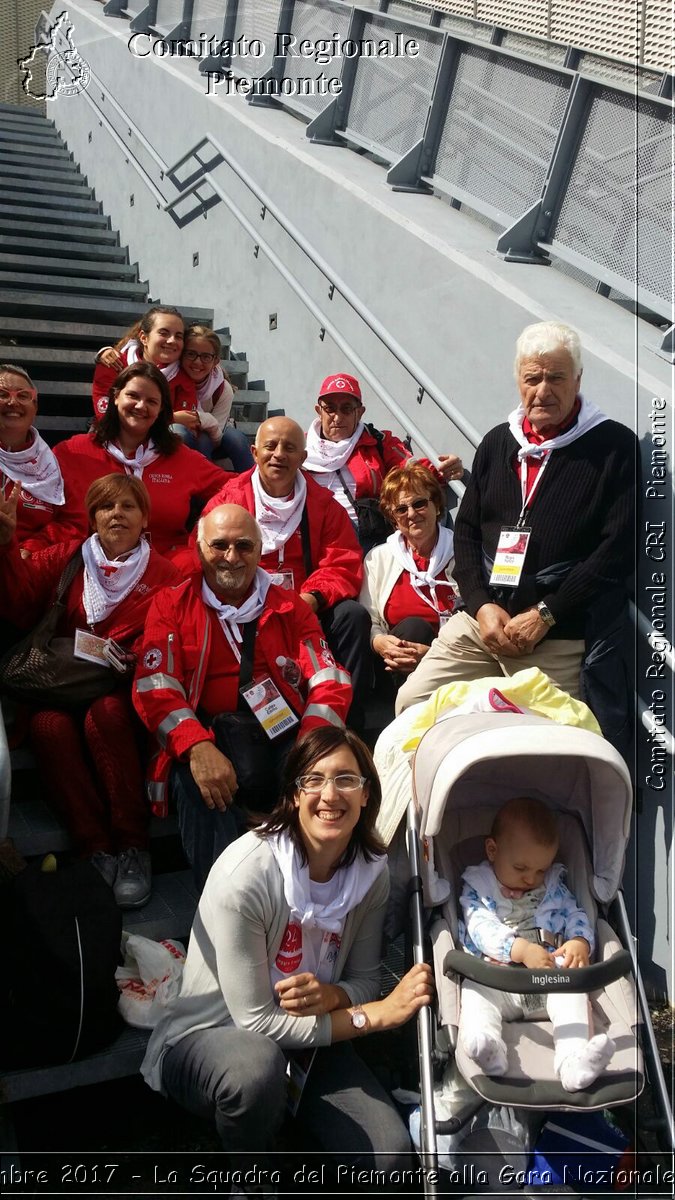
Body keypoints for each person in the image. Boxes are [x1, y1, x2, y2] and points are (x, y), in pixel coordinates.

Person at [141, 725, 433, 1180]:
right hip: (216, 1037)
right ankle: (252, 1175)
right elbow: (255, 1021)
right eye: (313, 780)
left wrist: (334, 996)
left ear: (366, 794)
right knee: (256, 1070)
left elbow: (366, 980)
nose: (329, 794)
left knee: (389, 1161)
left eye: (346, 779)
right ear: (294, 796)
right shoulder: (249, 875)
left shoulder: (370, 874)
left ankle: (291, 1121)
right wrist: (369, 1017)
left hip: (310, 1040)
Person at [396, 321, 639, 739]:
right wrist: (480, 605)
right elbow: (469, 531)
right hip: (482, 626)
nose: (543, 390)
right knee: (412, 705)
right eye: (533, 378)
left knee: (558, 738)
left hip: (556, 636)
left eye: (556, 377)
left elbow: (616, 552)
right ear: (519, 382)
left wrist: (547, 614)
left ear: (577, 380)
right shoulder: (497, 442)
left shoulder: (614, 447)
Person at [132, 504, 353, 891]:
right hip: (206, 736)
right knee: (202, 787)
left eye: (244, 546)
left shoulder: (289, 606)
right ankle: (225, 908)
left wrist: (311, 748)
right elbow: (156, 686)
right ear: (198, 549)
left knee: (327, 777)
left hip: (283, 735)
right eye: (219, 545)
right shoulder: (171, 605)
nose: (231, 557)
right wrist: (196, 746)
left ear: (259, 550)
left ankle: (314, 895)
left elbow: (329, 678)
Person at [0, 474, 180, 908]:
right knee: (45, 727)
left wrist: (129, 657)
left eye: (128, 506)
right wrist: (6, 546)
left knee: (107, 715)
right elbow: (19, 605)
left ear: (144, 519)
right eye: (105, 506)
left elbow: (169, 639)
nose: (116, 513)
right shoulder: (66, 557)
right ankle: (94, 847)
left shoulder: (164, 573)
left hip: (119, 689)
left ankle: (133, 846)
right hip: (58, 687)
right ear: (93, 517)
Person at [200, 416, 371, 732]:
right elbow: (207, 554)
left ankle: (349, 729)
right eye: (271, 446)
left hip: (305, 606)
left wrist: (311, 598)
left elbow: (342, 562)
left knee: (352, 616)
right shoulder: (229, 500)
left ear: (303, 458)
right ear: (253, 452)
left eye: (290, 447)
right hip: (246, 607)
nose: (279, 454)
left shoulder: (323, 505)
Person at [458, 796, 615, 1092]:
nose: (531, 878)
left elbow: (574, 913)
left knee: (573, 997)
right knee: (475, 996)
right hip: (497, 979)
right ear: (493, 850)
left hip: (550, 978)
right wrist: (519, 949)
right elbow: (479, 926)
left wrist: (580, 940)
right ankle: (489, 1048)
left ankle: (573, 1062)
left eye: (541, 870)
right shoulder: (479, 887)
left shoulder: (553, 886)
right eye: (521, 868)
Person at [39, 362, 228, 559]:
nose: (141, 406)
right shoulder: (72, 452)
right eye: (133, 396)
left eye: (152, 401)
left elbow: (233, 488)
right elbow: (38, 508)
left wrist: (197, 541)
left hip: (164, 574)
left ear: (161, 408)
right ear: (116, 396)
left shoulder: (181, 457)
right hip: (87, 569)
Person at [303, 372, 463, 550]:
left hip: (364, 535)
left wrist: (444, 468)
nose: (338, 417)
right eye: (330, 408)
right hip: (314, 531)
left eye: (346, 408)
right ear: (319, 411)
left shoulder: (378, 442)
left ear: (360, 412)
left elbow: (411, 471)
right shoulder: (299, 446)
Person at [360, 464, 459, 683]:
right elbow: (371, 618)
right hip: (401, 663)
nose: (412, 514)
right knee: (414, 628)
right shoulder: (378, 558)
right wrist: (378, 641)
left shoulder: (462, 551)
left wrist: (433, 654)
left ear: (437, 505)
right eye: (401, 510)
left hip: (457, 659)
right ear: (393, 518)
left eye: (419, 503)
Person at [92, 303, 198, 427]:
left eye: (178, 336)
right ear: (143, 337)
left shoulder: (184, 374)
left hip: (163, 441)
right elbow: (105, 416)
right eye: (164, 333)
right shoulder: (114, 363)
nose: (172, 340)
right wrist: (171, 418)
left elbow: (187, 423)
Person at [0, 364, 65, 554]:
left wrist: (32, 548)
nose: (13, 402)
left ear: (35, 407)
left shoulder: (55, 462)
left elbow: (67, 522)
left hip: (31, 568)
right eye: (3, 394)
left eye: (23, 395)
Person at [180, 324, 254, 470]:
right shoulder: (171, 378)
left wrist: (199, 419)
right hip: (181, 435)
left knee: (235, 439)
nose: (197, 362)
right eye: (191, 354)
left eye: (206, 357)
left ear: (216, 361)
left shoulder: (223, 389)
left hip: (215, 438)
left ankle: (251, 484)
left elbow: (217, 433)